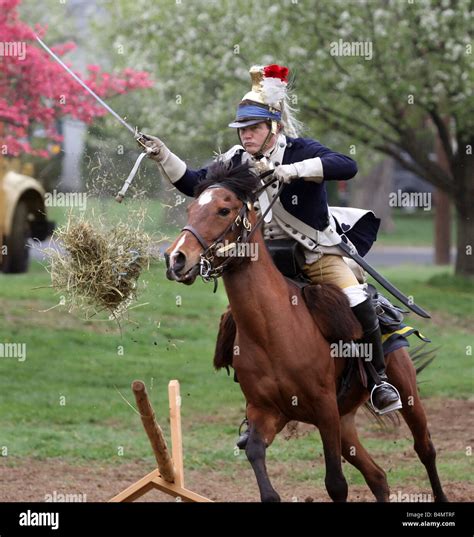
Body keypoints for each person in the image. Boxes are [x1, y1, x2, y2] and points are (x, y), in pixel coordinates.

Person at [142, 64, 402, 448]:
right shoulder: (236, 157)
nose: (246, 136)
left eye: (253, 129)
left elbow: (348, 165)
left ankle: (379, 380)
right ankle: (258, 405)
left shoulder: (301, 150)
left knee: (356, 299)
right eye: (242, 130)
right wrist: (164, 155)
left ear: (274, 127)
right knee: (239, 320)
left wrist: (291, 172)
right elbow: (197, 184)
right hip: (270, 261)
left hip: (316, 254)